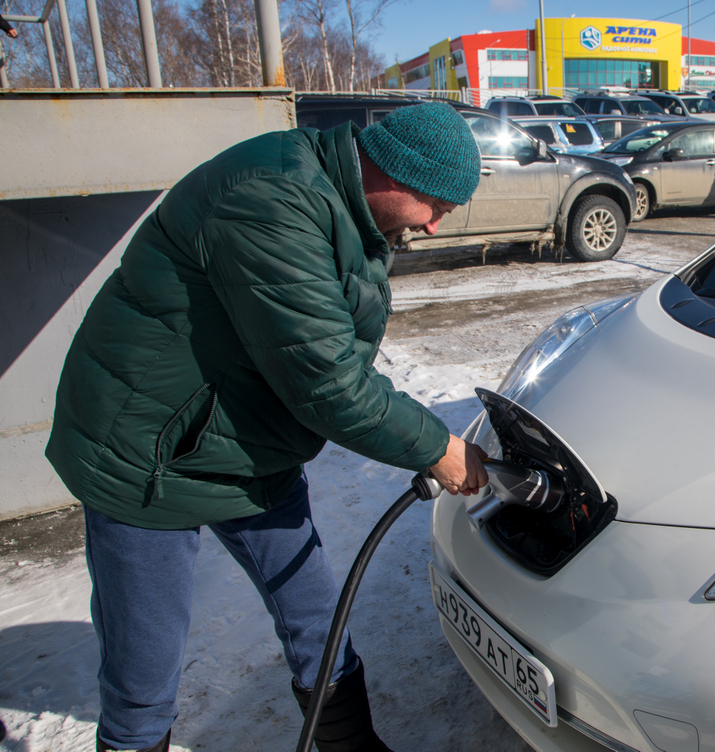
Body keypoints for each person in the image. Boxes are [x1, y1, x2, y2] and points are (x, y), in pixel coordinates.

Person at [45, 102, 490, 752]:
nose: (438, 221)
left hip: (250, 441)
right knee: (144, 667)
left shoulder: (344, 208)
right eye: (436, 204)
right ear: (392, 174)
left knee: (317, 620)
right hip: (148, 455)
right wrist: (439, 447)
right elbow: (329, 382)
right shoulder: (270, 198)